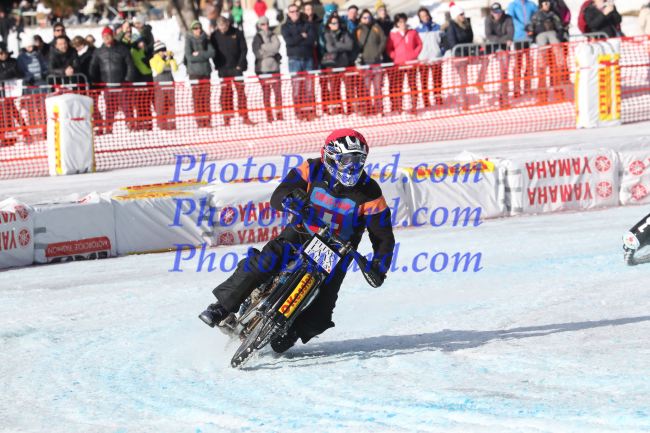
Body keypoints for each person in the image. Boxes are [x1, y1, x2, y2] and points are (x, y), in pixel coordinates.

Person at [199, 128, 395, 353]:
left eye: (358, 160)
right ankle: (222, 308)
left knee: (322, 312)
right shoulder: (311, 169)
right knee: (264, 262)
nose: (353, 166)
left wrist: (379, 267)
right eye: (347, 160)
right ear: (330, 157)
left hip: (336, 251)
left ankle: (291, 331)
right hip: (300, 233)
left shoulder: (371, 192)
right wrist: (290, 199)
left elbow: (383, 237)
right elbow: (278, 196)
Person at [89, 26, 136, 135]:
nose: (106, 38)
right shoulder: (99, 51)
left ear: (113, 35)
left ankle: (131, 126)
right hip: (107, 85)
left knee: (127, 106)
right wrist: (94, 80)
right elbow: (93, 66)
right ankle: (108, 128)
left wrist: (127, 79)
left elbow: (130, 65)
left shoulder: (122, 49)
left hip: (121, 84)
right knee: (109, 108)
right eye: (104, 36)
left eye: (108, 35)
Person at [210, 15, 253, 126]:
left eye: (224, 26)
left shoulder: (237, 32)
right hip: (223, 69)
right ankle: (227, 117)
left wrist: (240, 65)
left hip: (236, 68)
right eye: (220, 26)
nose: (222, 28)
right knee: (226, 93)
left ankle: (244, 116)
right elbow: (213, 52)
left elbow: (244, 49)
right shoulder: (214, 36)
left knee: (241, 93)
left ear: (228, 24)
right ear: (217, 26)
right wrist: (218, 65)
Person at [282, 3, 317, 120]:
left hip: (308, 58)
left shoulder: (307, 24)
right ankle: (299, 112)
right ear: (288, 14)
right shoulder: (285, 27)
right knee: (297, 88)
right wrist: (302, 36)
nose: (295, 13)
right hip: (294, 60)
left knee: (309, 87)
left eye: (296, 10)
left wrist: (297, 39)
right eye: (292, 11)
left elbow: (311, 40)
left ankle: (311, 111)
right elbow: (289, 42)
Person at [386, 12, 422, 114]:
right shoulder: (393, 34)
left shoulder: (412, 32)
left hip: (411, 62)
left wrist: (414, 53)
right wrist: (394, 56)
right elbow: (389, 48)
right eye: (400, 22)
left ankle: (414, 107)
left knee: (413, 85)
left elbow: (419, 44)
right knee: (398, 86)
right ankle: (399, 107)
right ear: (397, 23)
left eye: (404, 21)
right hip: (399, 64)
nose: (402, 24)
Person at [322, 14, 355, 115]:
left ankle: (350, 109)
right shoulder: (327, 34)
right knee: (334, 89)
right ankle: (337, 110)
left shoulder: (345, 33)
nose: (335, 25)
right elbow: (330, 48)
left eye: (337, 23)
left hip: (344, 63)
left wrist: (336, 44)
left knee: (349, 88)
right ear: (329, 25)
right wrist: (341, 45)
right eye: (333, 23)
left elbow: (350, 46)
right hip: (332, 65)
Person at [355, 9, 386, 115]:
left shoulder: (376, 27)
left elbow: (383, 39)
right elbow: (356, 44)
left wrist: (378, 52)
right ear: (361, 19)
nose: (367, 19)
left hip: (376, 61)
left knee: (377, 87)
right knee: (366, 88)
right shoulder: (358, 29)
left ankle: (379, 108)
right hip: (365, 62)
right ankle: (368, 109)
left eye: (368, 17)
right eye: (364, 17)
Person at [252, 15, 283, 123]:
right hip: (263, 69)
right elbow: (258, 53)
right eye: (263, 24)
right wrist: (271, 51)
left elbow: (277, 46)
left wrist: (265, 47)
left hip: (275, 68)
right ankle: (269, 115)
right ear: (259, 26)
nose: (265, 26)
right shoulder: (257, 37)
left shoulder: (273, 35)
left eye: (267, 24)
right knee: (266, 93)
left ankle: (279, 114)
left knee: (278, 93)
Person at [184, 20, 214, 128]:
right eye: (195, 28)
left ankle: (207, 120)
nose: (198, 30)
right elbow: (189, 57)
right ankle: (200, 121)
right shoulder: (188, 40)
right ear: (192, 29)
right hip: (194, 73)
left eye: (199, 28)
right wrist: (204, 56)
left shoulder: (206, 38)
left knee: (206, 98)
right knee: (197, 98)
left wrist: (199, 54)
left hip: (205, 72)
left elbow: (212, 53)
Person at [485, 2, 514, 108]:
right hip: (492, 48)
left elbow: (510, 33)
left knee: (504, 73)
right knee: (490, 71)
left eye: (499, 12)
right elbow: (489, 35)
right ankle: (480, 83)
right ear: (491, 13)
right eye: (495, 12)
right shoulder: (488, 20)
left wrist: (504, 40)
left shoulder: (508, 18)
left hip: (504, 48)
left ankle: (504, 97)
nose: (497, 14)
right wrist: (502, 40)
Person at [507, 0, 538, 98]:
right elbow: (511, 19)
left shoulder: (531, 4)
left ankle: (527, 87)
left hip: (529, 38)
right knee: (518, 64)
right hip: (518, 37)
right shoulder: (513, 5)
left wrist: (532, 26)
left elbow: (537, 15)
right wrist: (523, 27)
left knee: (529, 63)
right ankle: (516, 89)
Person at [416, 7, 444, 109]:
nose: (425, 17)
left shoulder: (437, 27)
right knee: (424, 81)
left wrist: (441, 51)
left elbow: (444, 41)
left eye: (426, 15)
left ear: (429, 15)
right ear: (420, 18)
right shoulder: (417, 30)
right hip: (423, 59)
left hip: (436, 58)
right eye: (422, 16)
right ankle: (426, 101)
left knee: (437, 81)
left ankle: (438, 98)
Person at [149, 41, 177, 130]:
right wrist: (163, 60)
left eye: (164, 50)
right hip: (159, 87)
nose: (164, 52)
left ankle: (171, 124)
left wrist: (172, 59)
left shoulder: (168, 59)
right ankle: (162, 125)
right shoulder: (153, 60)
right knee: (161, 106)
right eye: (161, 51)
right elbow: (159, 70)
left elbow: (175, 69)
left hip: (169, 85)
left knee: (171, 105)